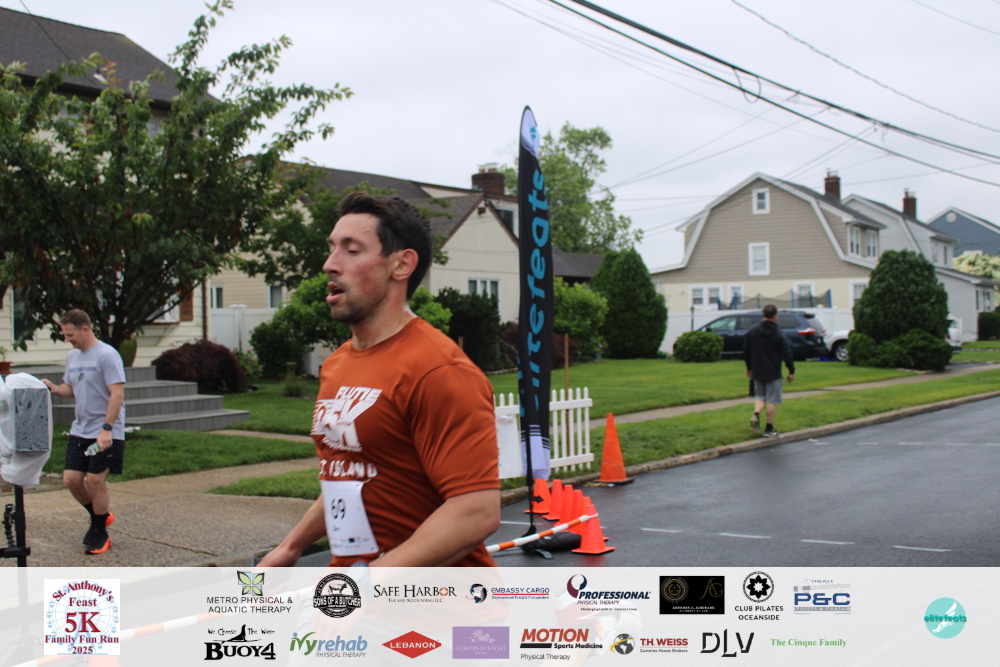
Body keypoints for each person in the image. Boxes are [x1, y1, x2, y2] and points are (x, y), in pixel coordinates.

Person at [259, 192, 500, 568]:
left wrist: (372, 581)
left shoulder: (440, 370)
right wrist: (289, 548)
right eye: (332, 248)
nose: (329, 264)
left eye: (351, 250)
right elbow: (349, 473)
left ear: (401, 264)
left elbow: (476, 512)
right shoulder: (337, 364)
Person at [41, 309, 125, 555]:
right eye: (65, 335)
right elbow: (71, 388)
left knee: (95, 481)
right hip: (80, 429)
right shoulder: (73, 357)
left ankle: (100, 533)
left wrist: (107, 429)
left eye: (70, 335)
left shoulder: (107, 355)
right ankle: (100, 517)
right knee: (71, 480)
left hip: (105, 431)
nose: (67, 340)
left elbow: (117, 393)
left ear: (85, 329)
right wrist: (55, 388)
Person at [744, 304, 795, 438]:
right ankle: (769, 427)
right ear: (776, 316)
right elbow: (787, 352)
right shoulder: (778, 332)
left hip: (757, 370)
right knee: (772, 400)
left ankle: (756, 414)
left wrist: (749, 368)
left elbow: (746, 351)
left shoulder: (753, 331)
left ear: (764, 314)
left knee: (760, 396)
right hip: (773, 371)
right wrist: (791, 370)